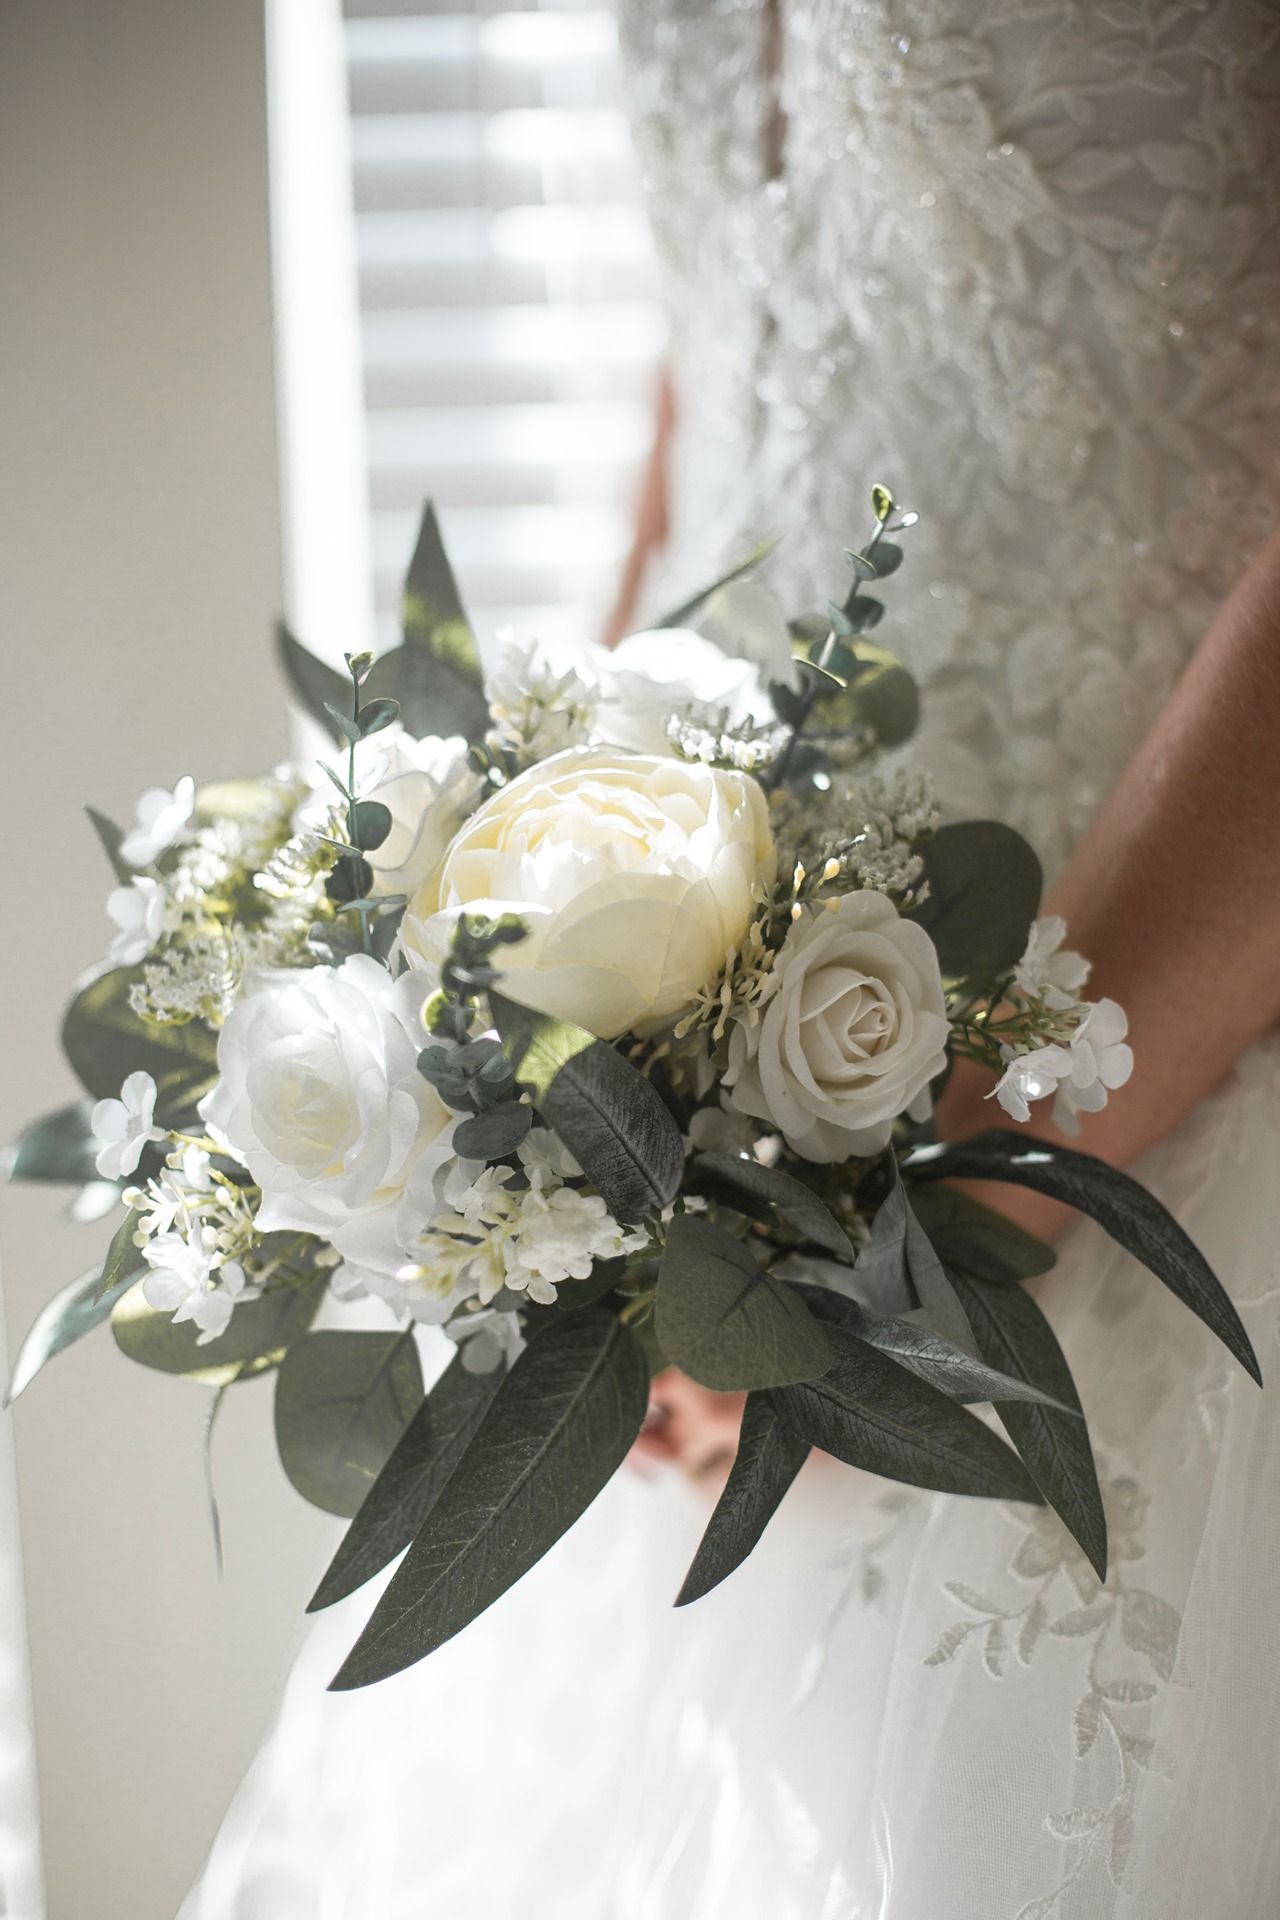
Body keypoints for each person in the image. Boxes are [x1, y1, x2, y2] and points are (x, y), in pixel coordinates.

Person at [185, 5, 1280, 1913]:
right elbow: (729, 365)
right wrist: (531, 990)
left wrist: (920, 1226)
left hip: (1141, 1039)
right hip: (731, 1077)